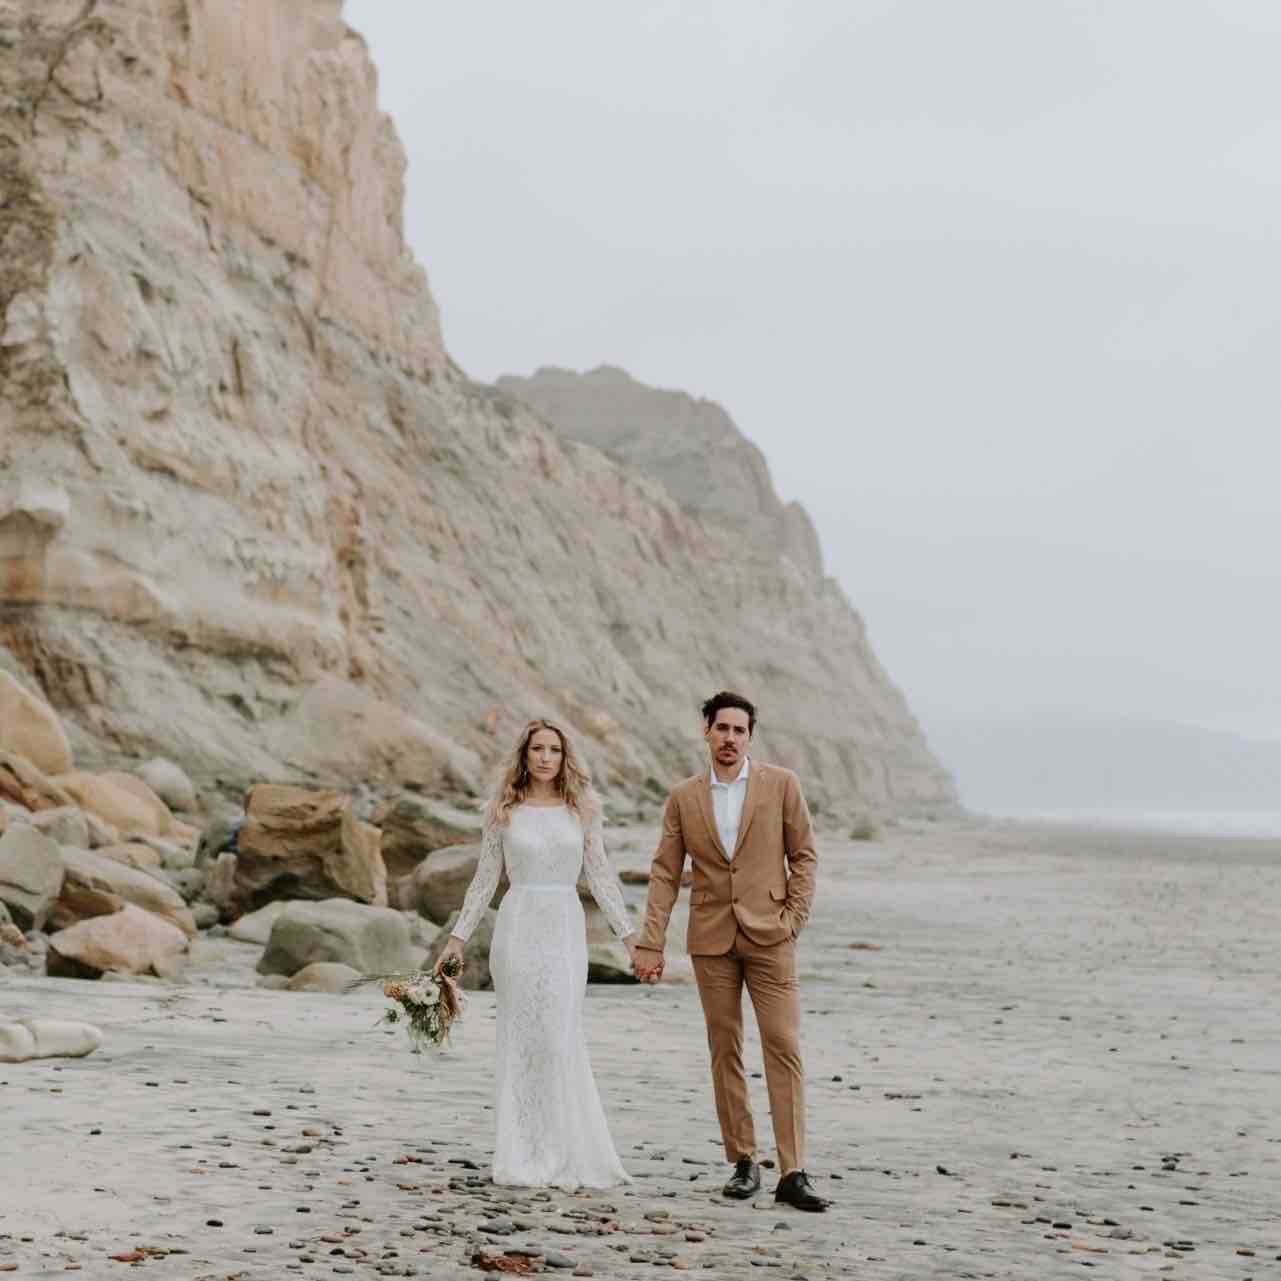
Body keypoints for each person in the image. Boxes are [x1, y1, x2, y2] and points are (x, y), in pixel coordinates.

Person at [631, 691, 830, 1211]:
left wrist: (794, 918)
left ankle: (793, 1171)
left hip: (771, 935)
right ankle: (743, 1161)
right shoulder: (684, 797)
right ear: (707, 730)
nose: (730, 738)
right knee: (725, 1047)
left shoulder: (782, 785)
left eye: (740, 731)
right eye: (722, 728)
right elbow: (665, 871)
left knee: (783, 1044)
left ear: (749, 737)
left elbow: (804, 856)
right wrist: (651, 939)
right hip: (711, 938)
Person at [435, 719, 638, 1189]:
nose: (546, 757)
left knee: (557, 1035)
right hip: (519, 925)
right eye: (538, 749)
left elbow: (600, 876)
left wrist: (629, 936)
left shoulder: (583, 809)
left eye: (554, 750)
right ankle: (521, 1151)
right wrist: (457, 938)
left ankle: (562, 1149)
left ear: (566, 758)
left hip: (564, 926)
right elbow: (485, 879)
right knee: (522, 1037)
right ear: (524, 755)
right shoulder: (502, 810)